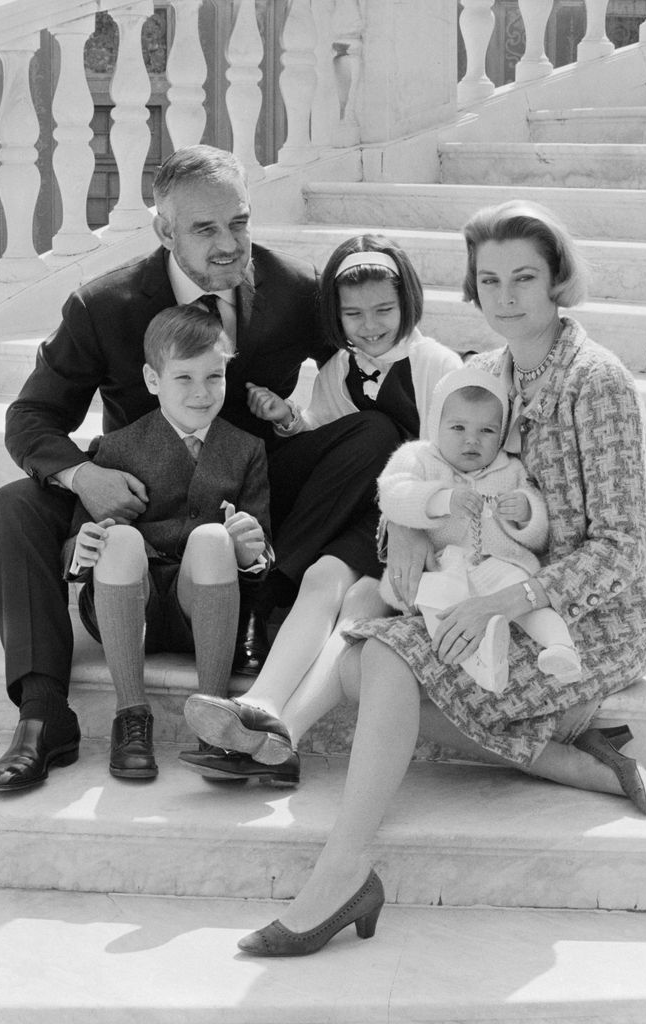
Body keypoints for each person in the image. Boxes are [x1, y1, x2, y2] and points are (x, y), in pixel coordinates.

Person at [227, 200, 646, 957]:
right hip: (487, 591)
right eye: (489, 279)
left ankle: (341, 872)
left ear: (557, 280)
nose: (505, 296)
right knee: (357, 659)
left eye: (524, 277)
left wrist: (510, 600)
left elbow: (625, 549)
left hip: (596, 617)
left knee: (383, 657)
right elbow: (421, 471)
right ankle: (559, 757)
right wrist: (403, 523)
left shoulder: (595, 384)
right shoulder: (487, 374)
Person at [0, 144, 398, 793]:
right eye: (205, 229)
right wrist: (84, 478)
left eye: (239, 221)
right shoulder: (106, 305)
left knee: (376, 435)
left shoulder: (294, 291)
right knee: (16, 502)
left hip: (250, 490)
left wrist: (461, 392)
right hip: (141, 498)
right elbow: (32, 417)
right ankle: (43, 716)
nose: (229, 242)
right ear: (164, 231)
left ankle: (267, 598)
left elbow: (377, 354)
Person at [178, 234, 462, 785]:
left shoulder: (435, 364)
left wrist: (417, 530)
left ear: (409, 303)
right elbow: (324, 433)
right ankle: (261, 706)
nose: (370, 325)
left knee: (360, 599)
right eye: (353, 314)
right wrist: (288, 418)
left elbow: (451, 461)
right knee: (321, 578)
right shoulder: (340, 368)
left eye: (384, 309)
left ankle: (281, 730)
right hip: (362, 515)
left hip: (414, 524)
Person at [62, 305, 270, 779]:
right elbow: (76, 537)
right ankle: (131, 714)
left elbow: (261, 542)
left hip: (206, 608)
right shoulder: (117, 447)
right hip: (128, 605)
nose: (202, 393)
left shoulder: (247, 449)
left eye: (214, 377)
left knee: (215, 536)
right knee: (119, 537)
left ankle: (214, 715)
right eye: (184, 378)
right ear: (153, 380)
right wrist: (85, 546)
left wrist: (250, 551)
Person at [377, 364, 582, 694]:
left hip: (498, 565)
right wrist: (442, 500)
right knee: (436, 600)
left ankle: (560, 648)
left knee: (525, 592)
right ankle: (483, 661)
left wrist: (525, 512)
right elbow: (392, 494)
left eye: (487, 431)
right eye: (458, 427)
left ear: (501, 435)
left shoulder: (510, 469)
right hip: (443, 566)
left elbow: (540, 535)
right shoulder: (418, 458)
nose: (471, 440)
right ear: (435, 424)